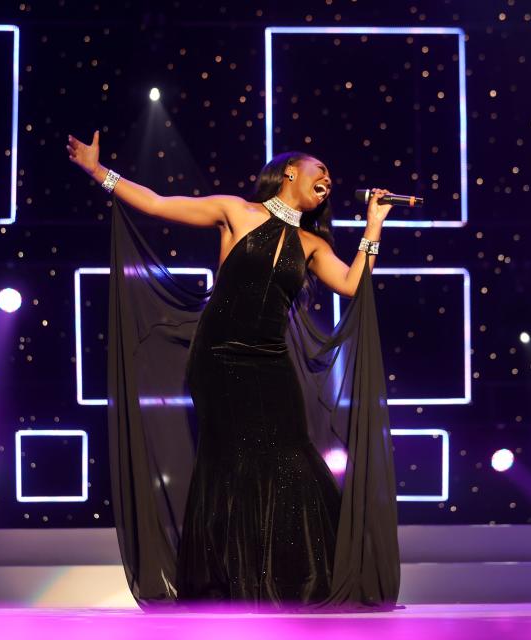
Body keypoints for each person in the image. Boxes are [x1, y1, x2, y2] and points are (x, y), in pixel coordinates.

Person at [67, 130, 400, 611]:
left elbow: (351, 285)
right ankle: (230, 581)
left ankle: (293, 580)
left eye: (330, 174)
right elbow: (159, 204)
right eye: (318, 169)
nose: (327, 177)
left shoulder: (309, 243)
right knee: (230, 460)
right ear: (289, 173)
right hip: (220, 358)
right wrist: (99, 172)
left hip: (270, 360)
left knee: (289, 455)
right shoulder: (237, 212)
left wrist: (373, 227)